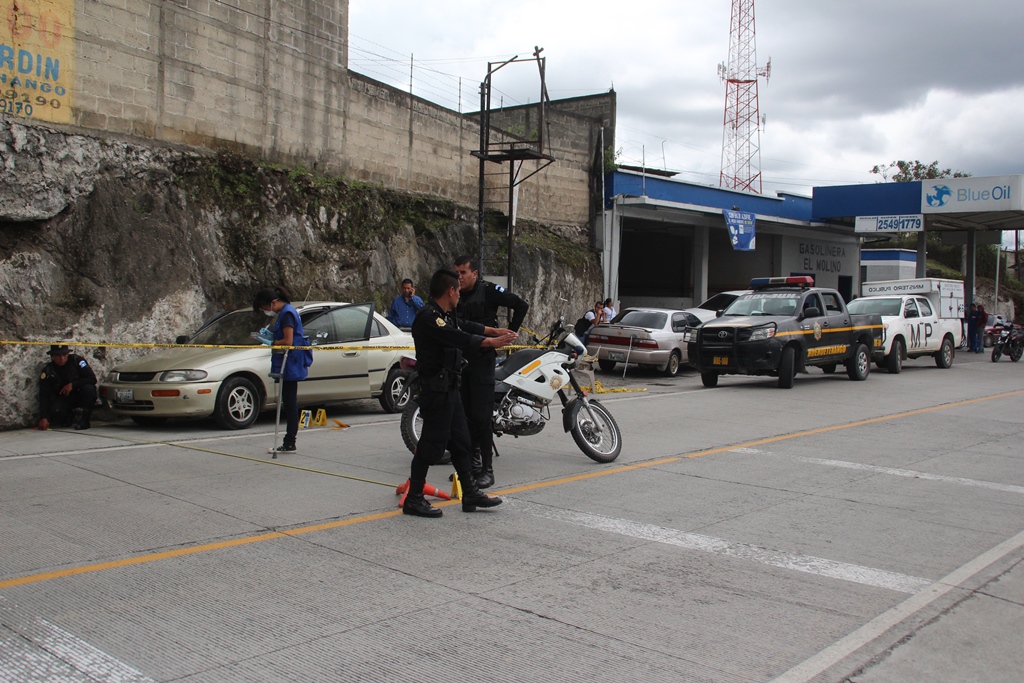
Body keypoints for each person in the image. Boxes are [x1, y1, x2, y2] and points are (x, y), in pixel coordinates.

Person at [405, 268, 518, 518]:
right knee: (431, 446)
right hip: (436, 390)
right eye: (457, 290)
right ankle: (414, 498)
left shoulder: (446, 314)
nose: (460, 295)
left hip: (450, 388)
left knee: (462, 442)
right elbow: (457, 337)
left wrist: (493, 331)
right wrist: (490, 343)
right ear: (450, 291)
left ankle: (470, 493)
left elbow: (466, 325)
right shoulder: (429, 317)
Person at [453, 254, 529, 489]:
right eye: (456, 273)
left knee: (481, 417)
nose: (459, 277)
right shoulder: (453, 294)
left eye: (463, 273)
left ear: (474, 274)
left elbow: (520, 305)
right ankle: (470, 466)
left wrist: (509, 334)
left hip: (483, 360)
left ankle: (487, 469)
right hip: (461, 361)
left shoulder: (488, 291)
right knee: (463, 417)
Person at [253, 286, 308, 453]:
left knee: (290, 404)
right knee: (289, 402)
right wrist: (272, 336)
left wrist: (272, 342)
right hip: (287, 362)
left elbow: (289, 341)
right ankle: (289, 441)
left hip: (289, 362)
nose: (266, 312)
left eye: (264, 308)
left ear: (273, 303)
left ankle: (290, 442)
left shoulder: (287, 313)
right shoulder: (285, 312)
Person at [36, 345, 97, 430]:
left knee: (89, 389)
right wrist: (44, 417)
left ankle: (85, 420)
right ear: (52, 356)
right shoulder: (49, 371)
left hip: (80, 393)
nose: (62, 358)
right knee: (55, 410)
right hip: (65, 397)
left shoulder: (77, 361)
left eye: (64, 355)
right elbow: (44, 395)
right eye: (58, 355)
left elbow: (92, 379)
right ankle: (68, 416)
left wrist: (73, 384)